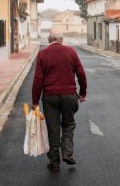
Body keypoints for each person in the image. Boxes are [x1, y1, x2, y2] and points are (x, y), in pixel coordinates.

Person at [31, 29, 87, 172]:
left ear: (49, 40)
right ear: (62, 40)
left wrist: (35, 101)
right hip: (69, 96)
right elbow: (81, 73)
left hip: (50, 97)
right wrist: (82, 93)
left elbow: (37, 80)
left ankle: (54, 163)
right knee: (68, 124)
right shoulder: (71, 51)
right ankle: (67, 153)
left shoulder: (42, 54)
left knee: (53, 129)